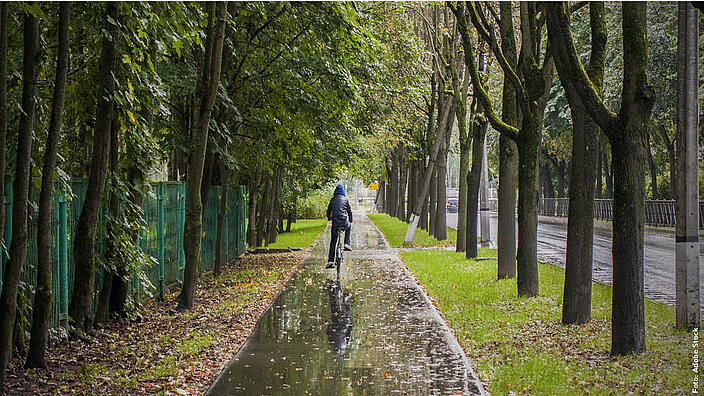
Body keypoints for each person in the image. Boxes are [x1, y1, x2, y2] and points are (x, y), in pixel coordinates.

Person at [326, 183, 352, 268]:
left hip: (335, 223)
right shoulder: (345, 199)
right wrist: (350, 220)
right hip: (344, 222)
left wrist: (329, 218)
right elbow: (349, 211)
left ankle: (330, 261)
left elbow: (328, 211)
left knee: (333, 241)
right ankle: (346, 243)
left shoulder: (332, 200)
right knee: (349, 225)